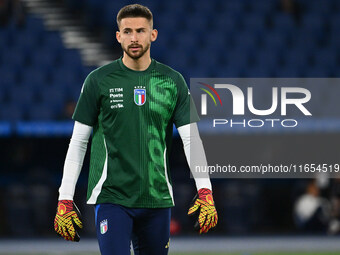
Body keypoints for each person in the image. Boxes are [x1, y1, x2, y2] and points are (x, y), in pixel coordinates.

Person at [54, 4, 217, 255]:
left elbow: (192, 140)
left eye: (141, 30)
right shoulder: (98, 81)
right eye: (127, 31)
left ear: (153, 34)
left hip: (157, 198)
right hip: (112, 198)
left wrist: (205, 190)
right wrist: (65, 198)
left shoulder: (172, 81)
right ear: (118, 36)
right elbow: (78, 143)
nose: (134, 37)